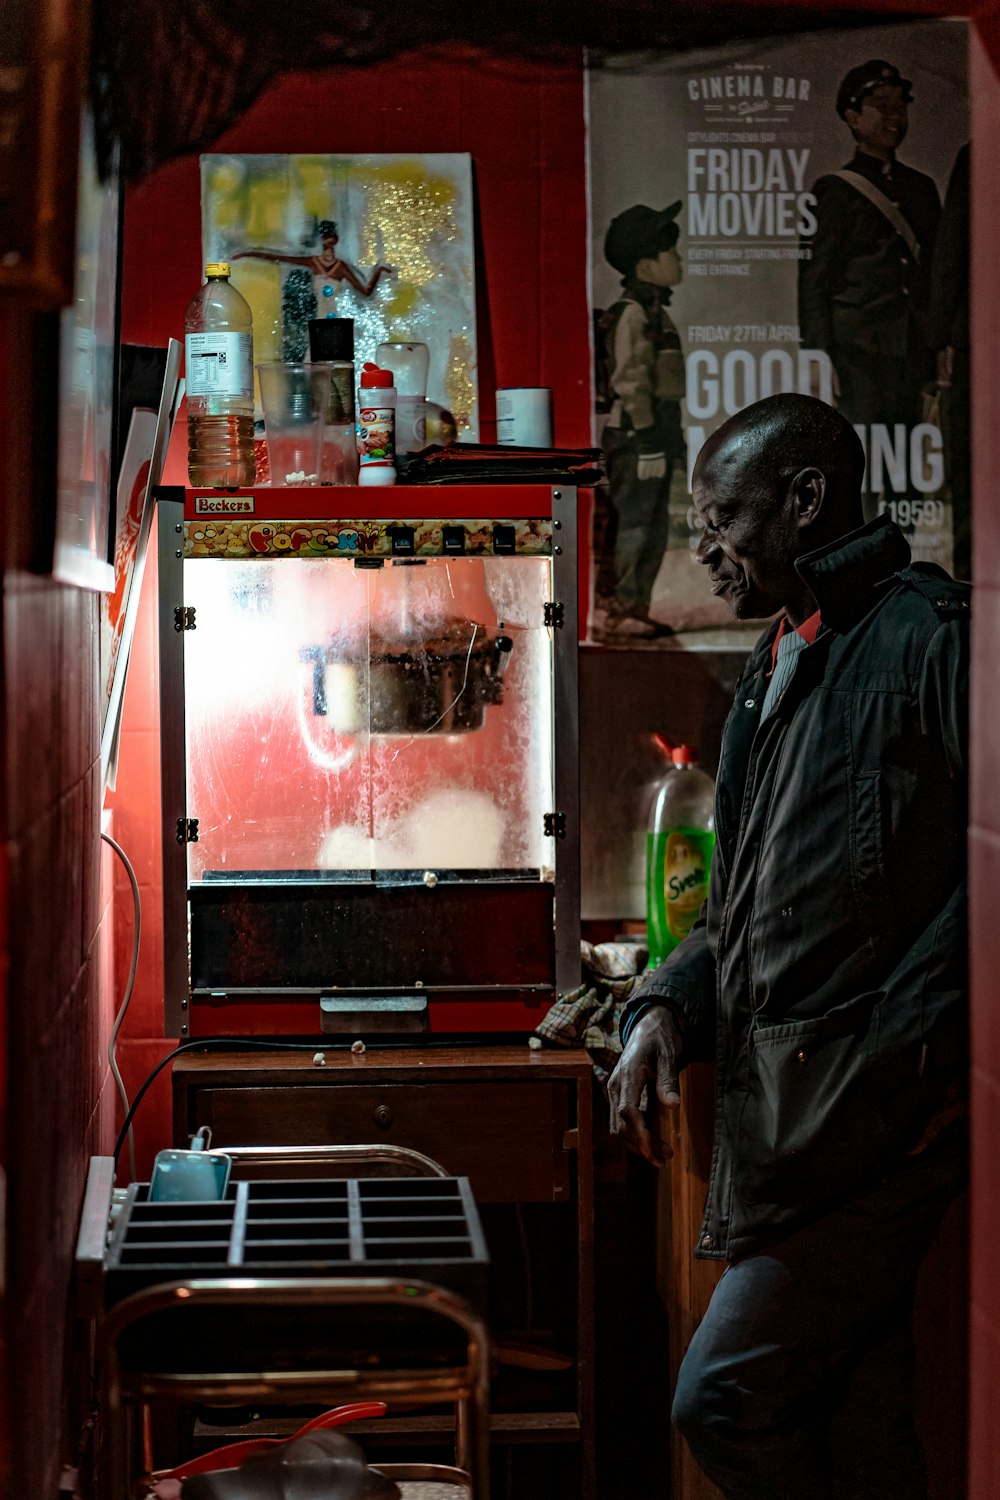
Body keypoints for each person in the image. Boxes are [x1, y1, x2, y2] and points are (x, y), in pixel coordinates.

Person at [608, 393, 969, 1500]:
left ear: (806, 500)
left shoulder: (926, 639)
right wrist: (665, 1001)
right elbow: (738, 907)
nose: (707, 551)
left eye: (724, 520)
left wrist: (891, 1069)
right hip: (802, 1130)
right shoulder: (774, 665)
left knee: (721, 1393)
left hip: (878, 1133)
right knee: (860, 1431)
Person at [799, 60, 941, 503]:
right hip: (857, 351)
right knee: (858, 464)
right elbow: (814, 281)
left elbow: (935, 275)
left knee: (908, 462)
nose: (894, 116)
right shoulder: (833, 191)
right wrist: (818, 357)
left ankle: (905, 560)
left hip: (911, 349)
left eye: (900, 106)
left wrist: (938, 348)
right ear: (852, 117)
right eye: (880, 105)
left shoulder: (921, 189)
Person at [596, 201, 686, 639]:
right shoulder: (634, 313)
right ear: (648, 265)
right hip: (637, 436)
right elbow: (629, 380)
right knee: (631, 525)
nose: (680, 260)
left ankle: (636, 606)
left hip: (657, 431)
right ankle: (616, 612)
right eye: (672, 252)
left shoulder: (654, 311)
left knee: (652, 526)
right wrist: (648, 436)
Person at [232, 219, 394, 315]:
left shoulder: (340, 267)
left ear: (335, 240)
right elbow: (279, 258)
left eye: (331, 237)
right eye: (326, 237)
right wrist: (248, 253)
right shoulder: (313, 262)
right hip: (318, 319)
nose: (329, 241)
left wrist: (379, 271)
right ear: (322, 239)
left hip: (335, 319)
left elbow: (365, 292)